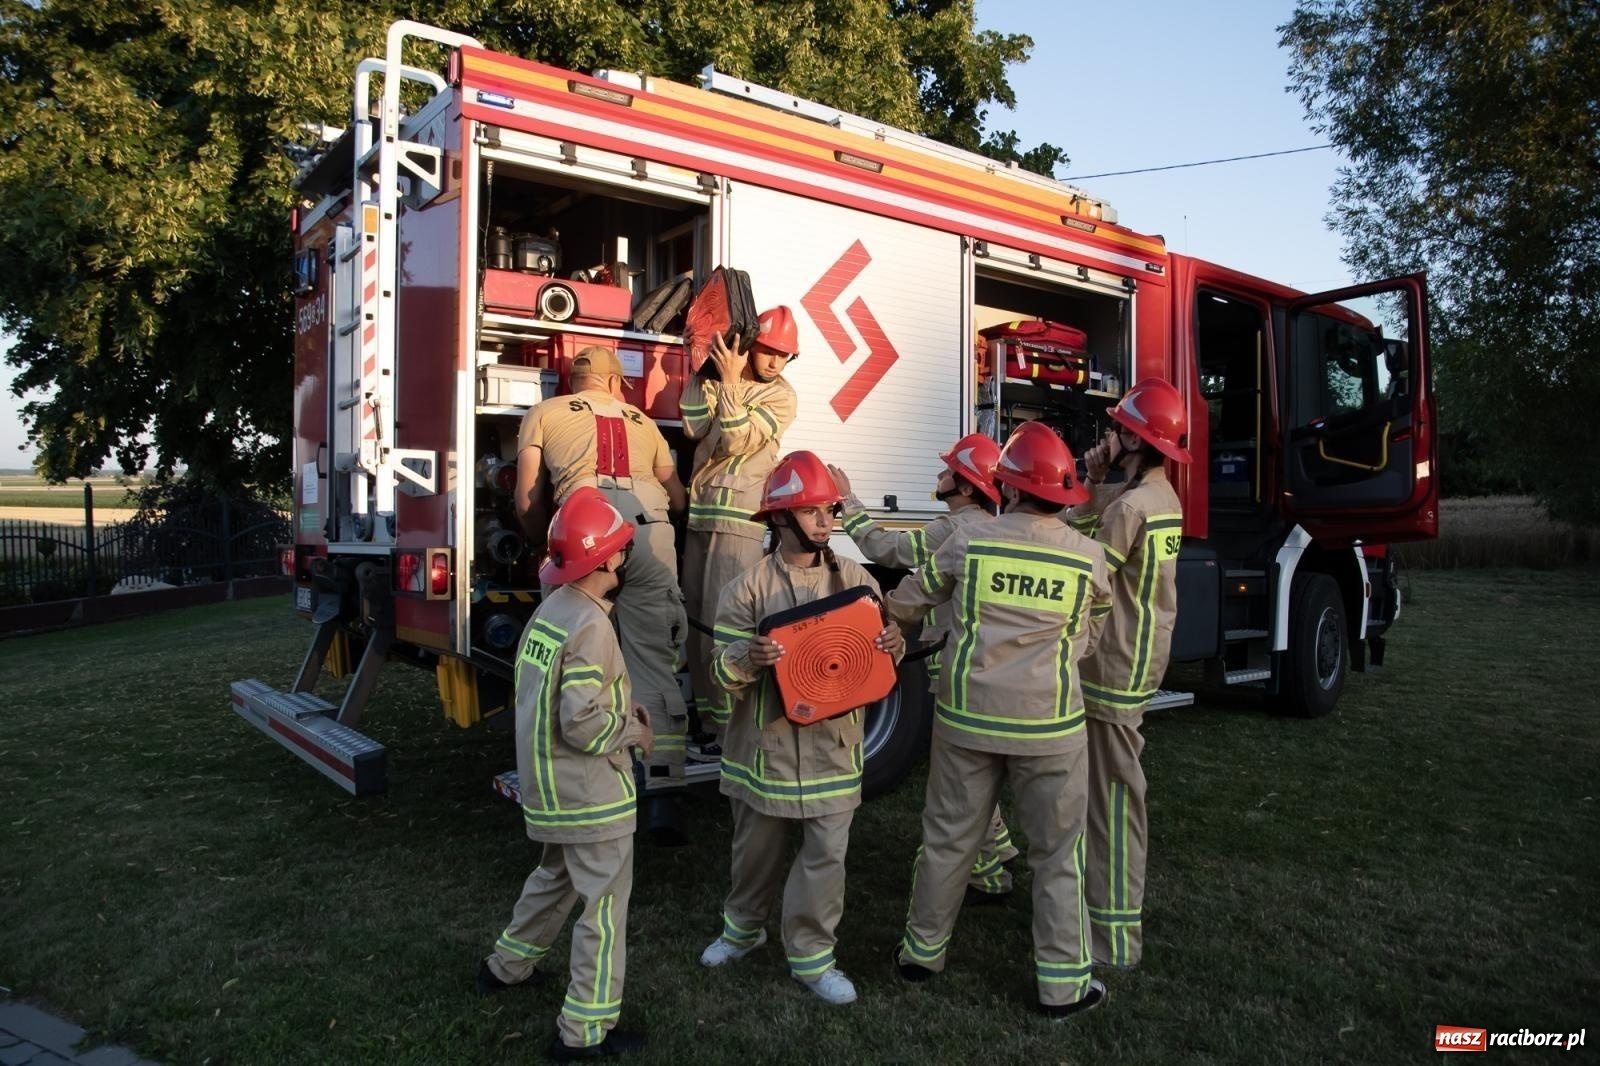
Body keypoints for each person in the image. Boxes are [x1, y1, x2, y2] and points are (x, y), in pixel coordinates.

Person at [884, 421, 1113, 1019]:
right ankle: (1062, 987)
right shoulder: (1088, 559)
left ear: (1007, 488)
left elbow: (909, 601)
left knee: (947, 840)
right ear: (1061, 495)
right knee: (1057, 855)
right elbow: (1093, 634)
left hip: (967, 720)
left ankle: (920, 955)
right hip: (1051, 728)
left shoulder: (969, 542)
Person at [697, 450, 905, 1006]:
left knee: (825, 860)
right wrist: (747, 656)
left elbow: (879, 653)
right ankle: (741, 932)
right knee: (754, 854)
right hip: (764, 752)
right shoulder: (746, 589)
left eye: (830, 511)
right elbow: (719, 671)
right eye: (813, 511)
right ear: (781, 519)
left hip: (832, 751)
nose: (826, 521)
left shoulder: (857, 579)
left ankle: (813, 959)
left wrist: (895, 643)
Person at [477, 487, 655, 1061]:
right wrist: (633, 733)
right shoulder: (592, 626)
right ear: (603, 560)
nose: (624, 558)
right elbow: (581, 724)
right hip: (590, 796)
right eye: (620, 549)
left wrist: (620, 711)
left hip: (550, 793)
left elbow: (554, 702)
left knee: (553, 880)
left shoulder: (551, 609)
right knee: (603, 910)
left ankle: (505, 968)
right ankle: (585, 1032)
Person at [829, 435, 1021, 903]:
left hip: (949, 663)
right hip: (980, 664)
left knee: (959, 780)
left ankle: (984, 873)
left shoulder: (952, 529)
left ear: (968, 485)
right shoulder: (989, 526)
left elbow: (885, 548)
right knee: (976, 771)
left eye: (948, 469)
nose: (940, 474)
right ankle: (999, 849)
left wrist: (847, 501)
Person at [515, 346, 690, 829]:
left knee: (575, 652)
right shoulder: (645, 421)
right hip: (648, 531)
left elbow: (527, 493)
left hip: (586, 538)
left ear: (576, 382)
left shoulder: (544, 413)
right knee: (655, 661)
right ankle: (664, 793)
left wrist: (542, 539)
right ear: (616, 384)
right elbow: (677, 498)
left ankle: (581, 778)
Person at [1066, 377, 1190, 971]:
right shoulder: (1161, 499)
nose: (1107, 435)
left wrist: (1085, 483)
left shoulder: (1131, 506)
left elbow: (1078, 558)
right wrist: (1101, 484)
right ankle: (1102, 922)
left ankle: (1113, 940)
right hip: (1136, 663)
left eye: (1117, 429)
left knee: (1111, 806)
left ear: (1135, 441)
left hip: (1111, 670)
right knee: (1109, 798)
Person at [678, 307, 800, 753]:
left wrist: (729, 384)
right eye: (768, 351)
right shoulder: (719, 377)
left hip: (740, 523)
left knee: (724, 623)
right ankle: (711, 725)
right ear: (750, 344)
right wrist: (701, 370)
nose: (775, 363)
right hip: (701, 516)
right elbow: (693, 426)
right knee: (695, 621)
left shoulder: (783, 397)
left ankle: (732, 728)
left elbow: (735, 441)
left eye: (784, 356)